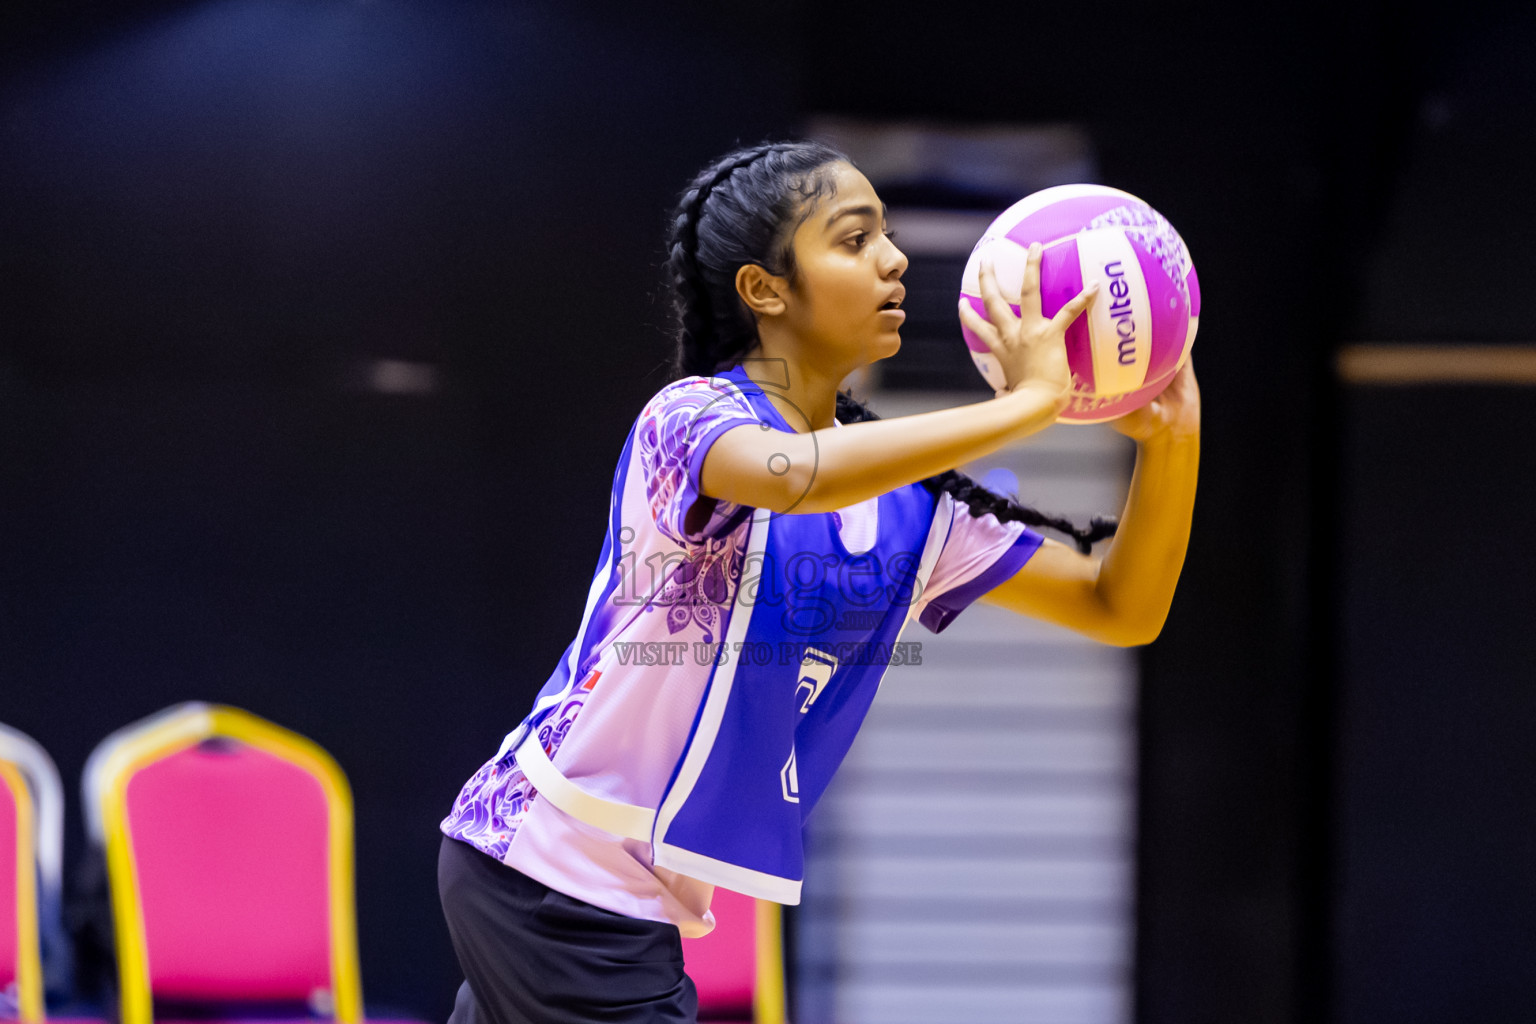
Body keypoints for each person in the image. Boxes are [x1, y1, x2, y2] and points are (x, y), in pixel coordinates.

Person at [436, 140, 1199, 1024]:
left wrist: (1174, 441)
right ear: (765, 290)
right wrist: (1022, 407)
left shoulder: (914, 514)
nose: (896, 258)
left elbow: (1122, 607)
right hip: (549, 865)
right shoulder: (691, 420)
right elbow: (798, 473)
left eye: (890, 236)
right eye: (854, 239)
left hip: (619, 901)